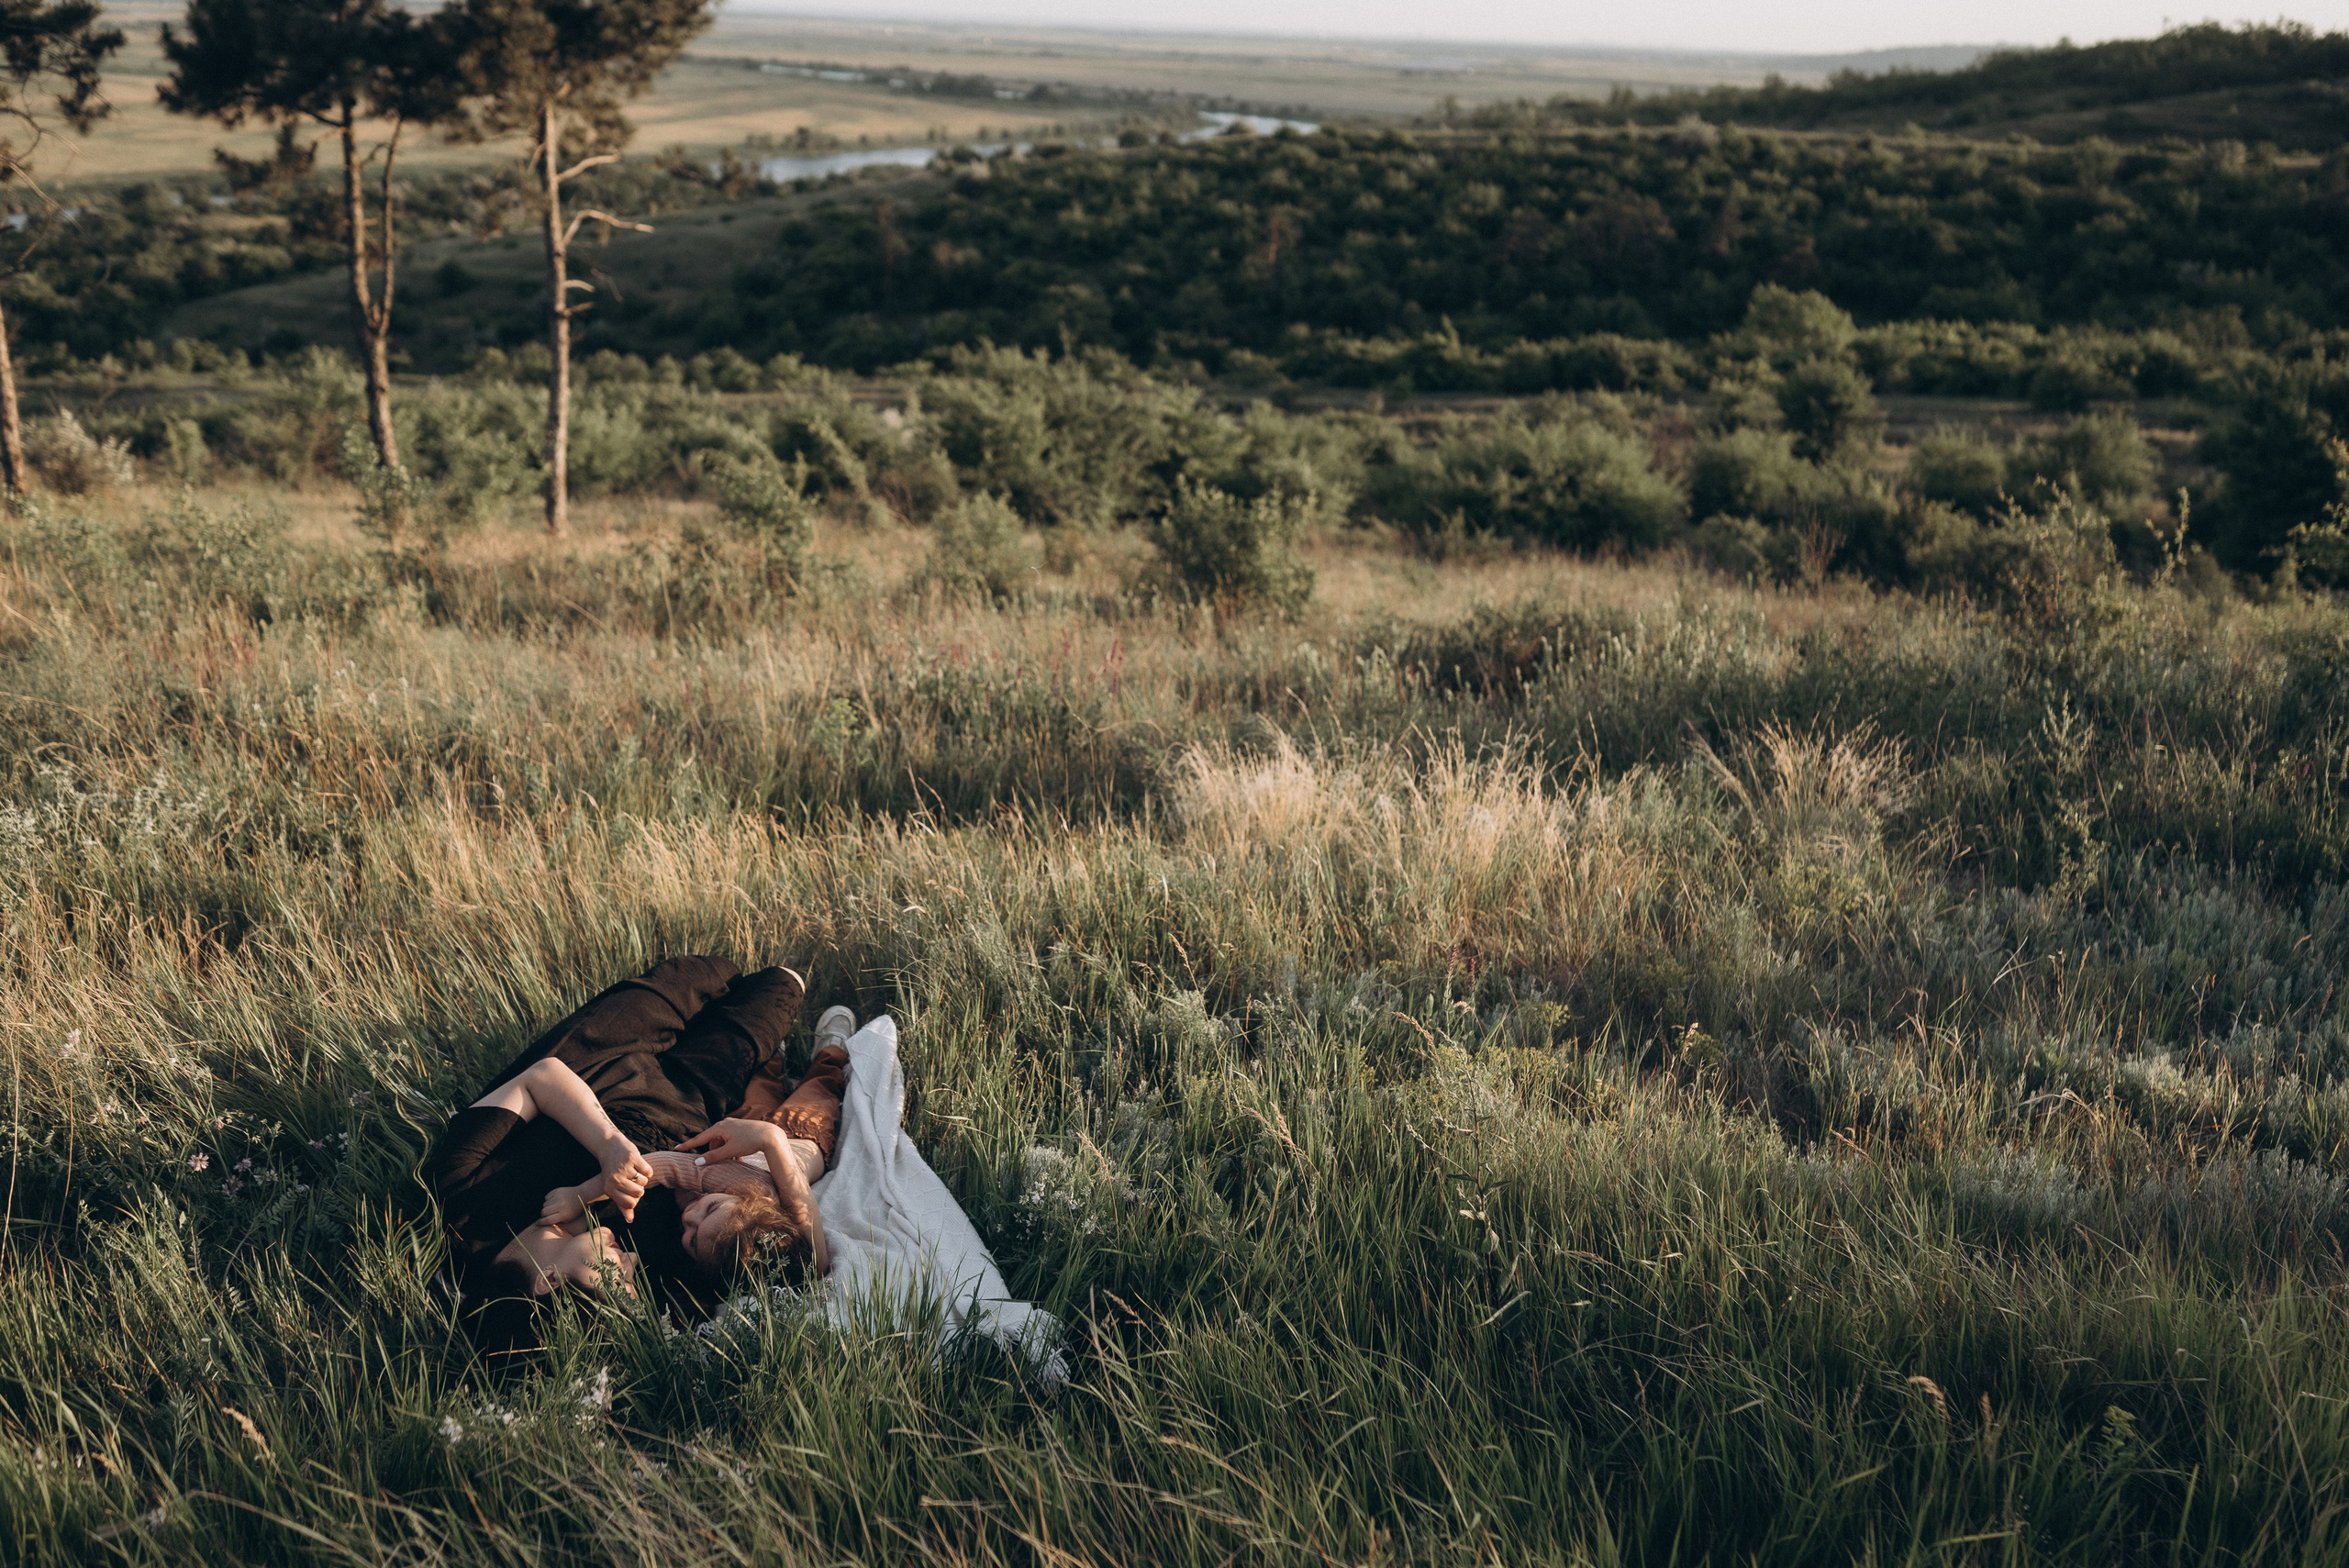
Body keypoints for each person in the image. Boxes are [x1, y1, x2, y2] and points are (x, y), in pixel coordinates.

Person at [426, 957, 837, 1343]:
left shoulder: (462, 1197)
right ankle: (784, 1058)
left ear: (548, 1279)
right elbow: (808, 1267)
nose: (632, 1267)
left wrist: (609, 1147)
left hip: (599, 1066)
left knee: (713, 974)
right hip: (692, 1105)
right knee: (782, 986)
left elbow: (542, 1078)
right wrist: (775, 1143)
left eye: (615, 1278)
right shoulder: (655, 1276)